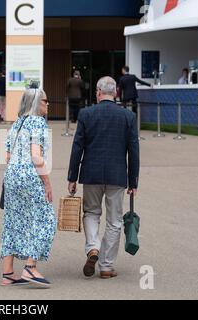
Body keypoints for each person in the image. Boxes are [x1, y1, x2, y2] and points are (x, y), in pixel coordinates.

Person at [67, 76, 140, 279]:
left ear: (98, 92)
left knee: (91, 213)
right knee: (115, 221)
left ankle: (93, 248)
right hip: (117, 175)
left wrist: (72, 176)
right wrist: (133, 181)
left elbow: (77, 147)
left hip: (90, 174)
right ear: (116, 93)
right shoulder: (128, 116)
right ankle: (106, 266)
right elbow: (133, 150)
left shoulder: (86, 114)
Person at [0, 88, 56, 288]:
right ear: (35, 103)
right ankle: (30, 267)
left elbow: (7, 156)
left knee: (13, 221)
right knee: (46, 219)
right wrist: (47, 183)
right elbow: (36, 156)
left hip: (11, 176)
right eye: (45, 100)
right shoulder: (38, 123)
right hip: (30, 176)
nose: (47, 104)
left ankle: (7, 273)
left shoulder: (17, 123)